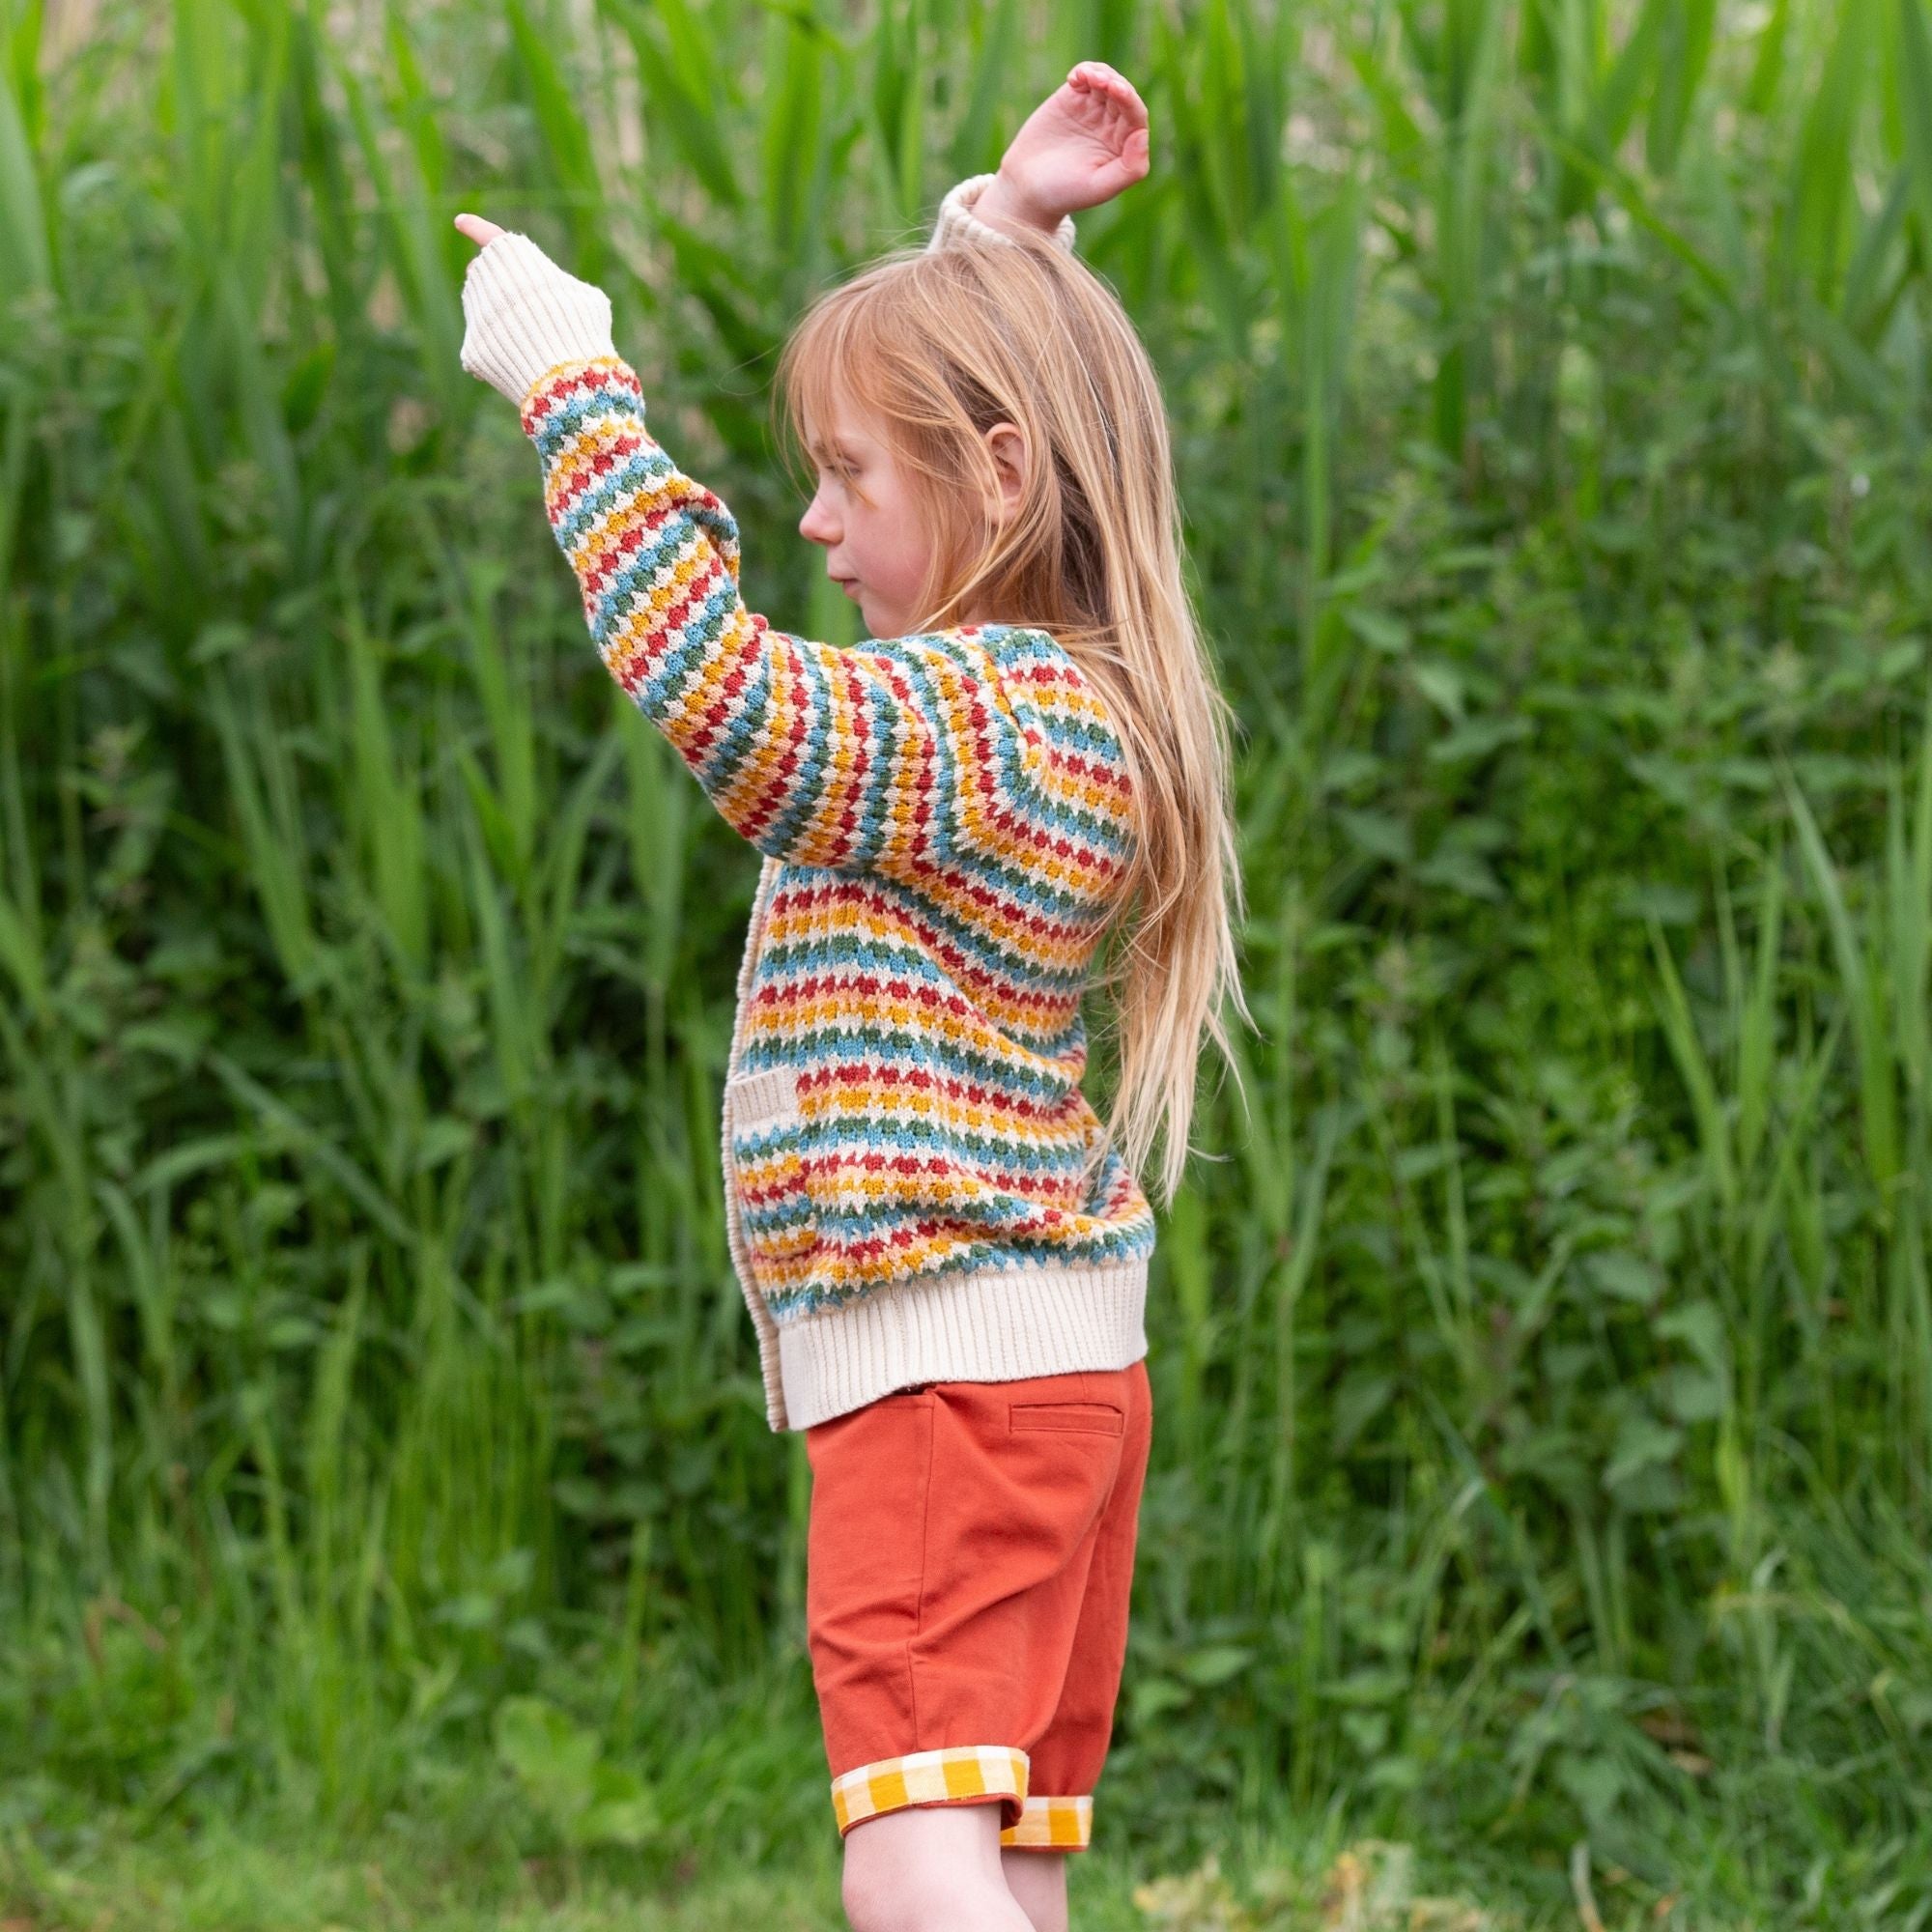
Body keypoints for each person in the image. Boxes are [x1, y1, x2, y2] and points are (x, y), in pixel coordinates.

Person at [454, 60, 1249, 1932]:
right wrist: (1006, 234)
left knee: (909, 1863)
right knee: (1005, 1856)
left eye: (846, 475)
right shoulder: (1075, 697)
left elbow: (722, 692)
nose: (812, 520)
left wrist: (574, 386)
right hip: (1061, 1369)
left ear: (991, 480)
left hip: (941, 1364)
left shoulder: (966, 724)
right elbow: (1012, 414)